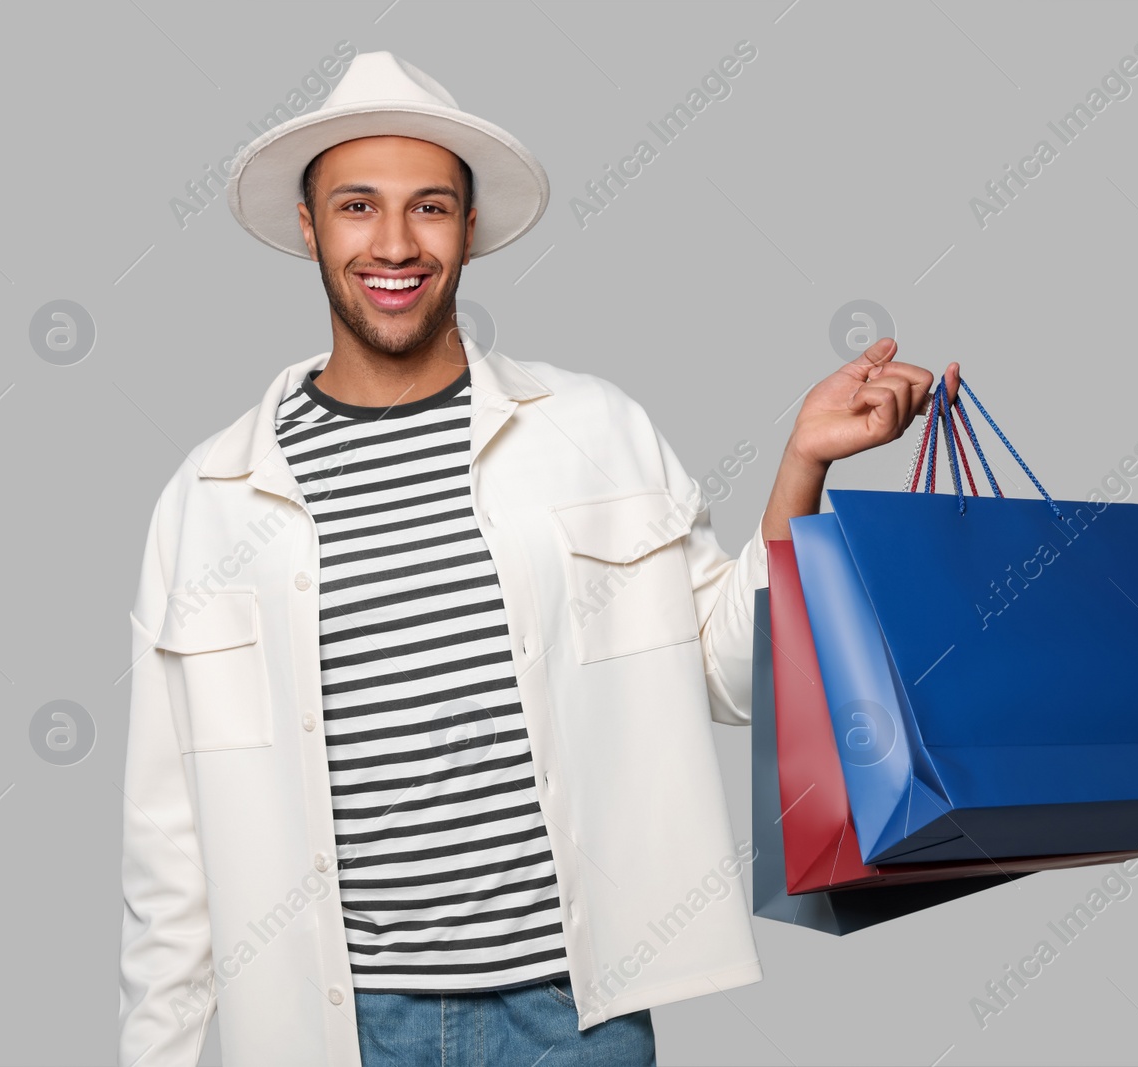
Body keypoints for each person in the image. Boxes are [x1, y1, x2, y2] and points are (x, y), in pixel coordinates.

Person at [118, 50, 957, 1067]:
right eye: (356, 206)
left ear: (467, 228)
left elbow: (730, 676)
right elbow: (168, 841)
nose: (393, 242)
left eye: (428, 206)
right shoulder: (210, 501)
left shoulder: (591, 430)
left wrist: (802, 464)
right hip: (334, 1026)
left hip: (573, 1015)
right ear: (309, 226)